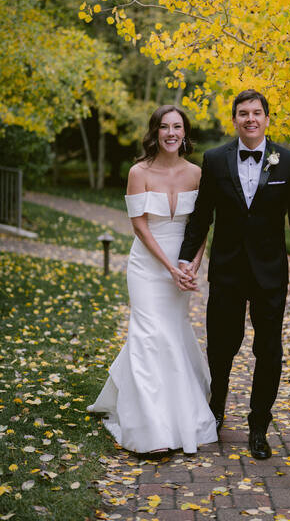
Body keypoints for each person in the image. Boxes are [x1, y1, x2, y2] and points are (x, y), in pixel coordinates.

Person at [178, 89, 290, 460]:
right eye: (243, 113)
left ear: (267, 119)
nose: (250, 119)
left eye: (257, 113)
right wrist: (184, 259)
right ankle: (217, 406)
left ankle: (259, 427)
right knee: (222, 346)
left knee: (269, 350)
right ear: (235, 119)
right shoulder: (214, 160)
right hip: (227, 271)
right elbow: (202, 216)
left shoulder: (287, 161)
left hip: (271, 274)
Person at [87, 105, 217, 455]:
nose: (171, 133)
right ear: (155, 133)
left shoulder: (197, 173)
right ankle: (149, 430)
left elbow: (201, 223)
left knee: (171, 332)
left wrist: (192, 264)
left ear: (185, 133)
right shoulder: (138, 172)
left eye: (177, 127)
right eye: (164, 127)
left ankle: (178, 415)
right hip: (147, 266)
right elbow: (140, 226)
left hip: (183, 264)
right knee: (147, 334)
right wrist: (169, 266)